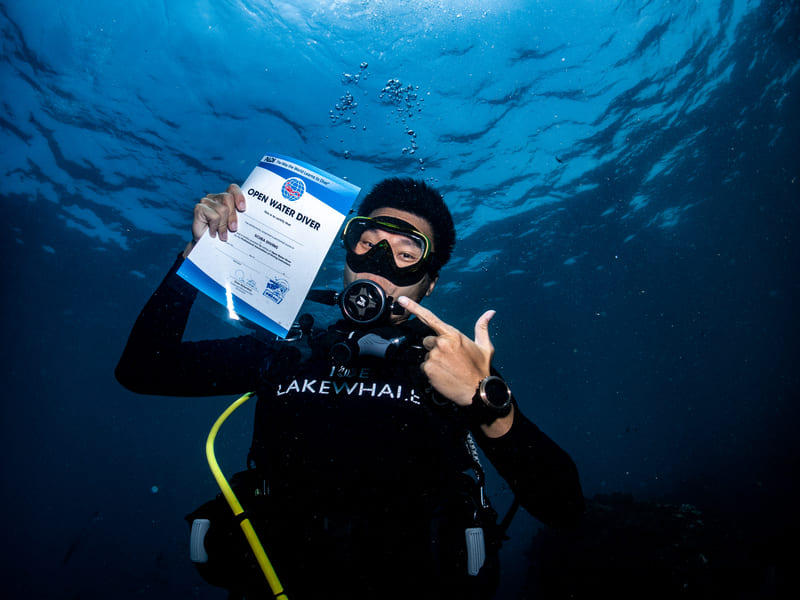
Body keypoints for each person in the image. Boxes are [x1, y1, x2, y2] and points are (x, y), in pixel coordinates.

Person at [116, 177, 584, 599]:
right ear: (347, 253)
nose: (379, 263)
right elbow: (142, 370)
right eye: (367, 243)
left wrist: (485, 398)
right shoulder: (290, 352)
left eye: (405, 254)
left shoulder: (452, 374)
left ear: (430, 282)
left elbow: (563, 507)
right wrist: (197, 259)